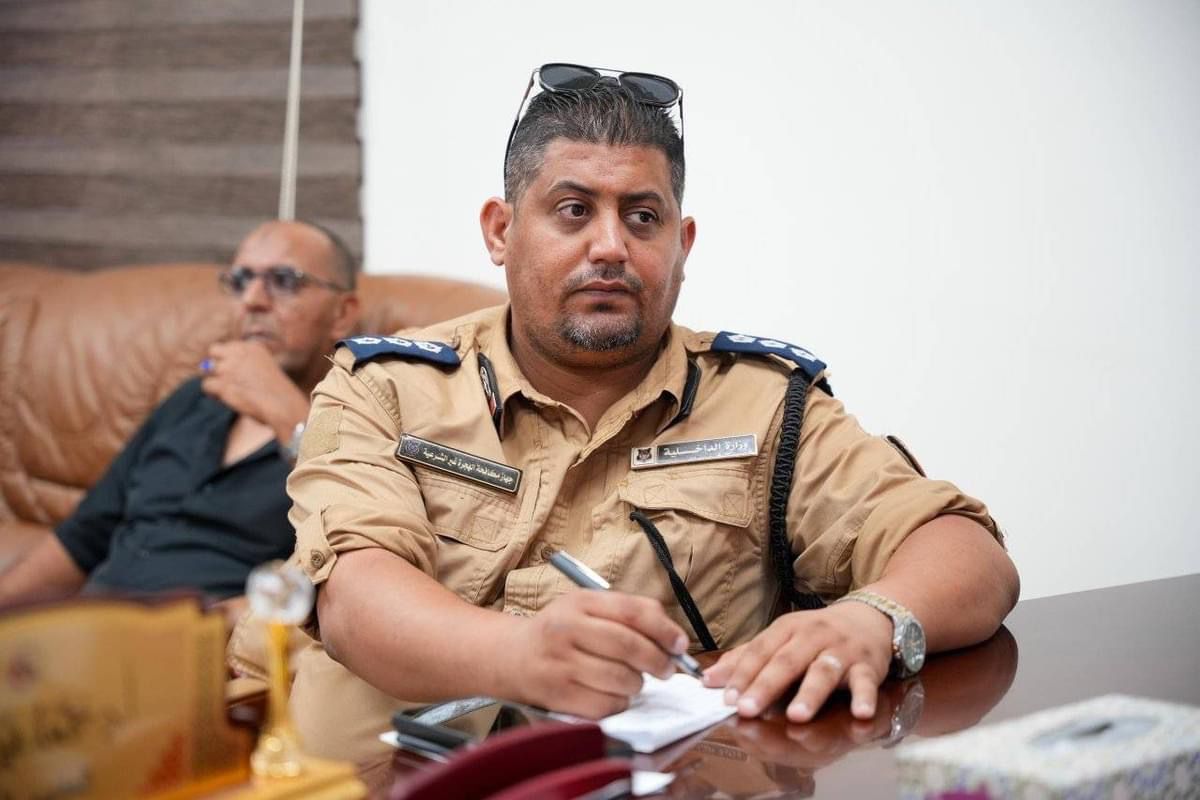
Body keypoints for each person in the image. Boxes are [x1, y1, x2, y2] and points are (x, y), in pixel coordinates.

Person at [266, 64, 1019, 760]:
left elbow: (967, 555)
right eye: (572, 211)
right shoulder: (384, 387)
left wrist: (875, 619)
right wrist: (522, 655)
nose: (611, 246)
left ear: (682, 245)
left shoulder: (763, 405)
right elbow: (355, 600)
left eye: (643, 217)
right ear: (501, 230)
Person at [0, 220, 360, 616]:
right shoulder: (194, 398)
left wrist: (284, 412)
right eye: (240, 280)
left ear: (342, 314)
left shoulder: (362, 424)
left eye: (285, 281)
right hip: (91, 626)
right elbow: (81, 540)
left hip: (210, 638)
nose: (253, 300)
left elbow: (352, 544)